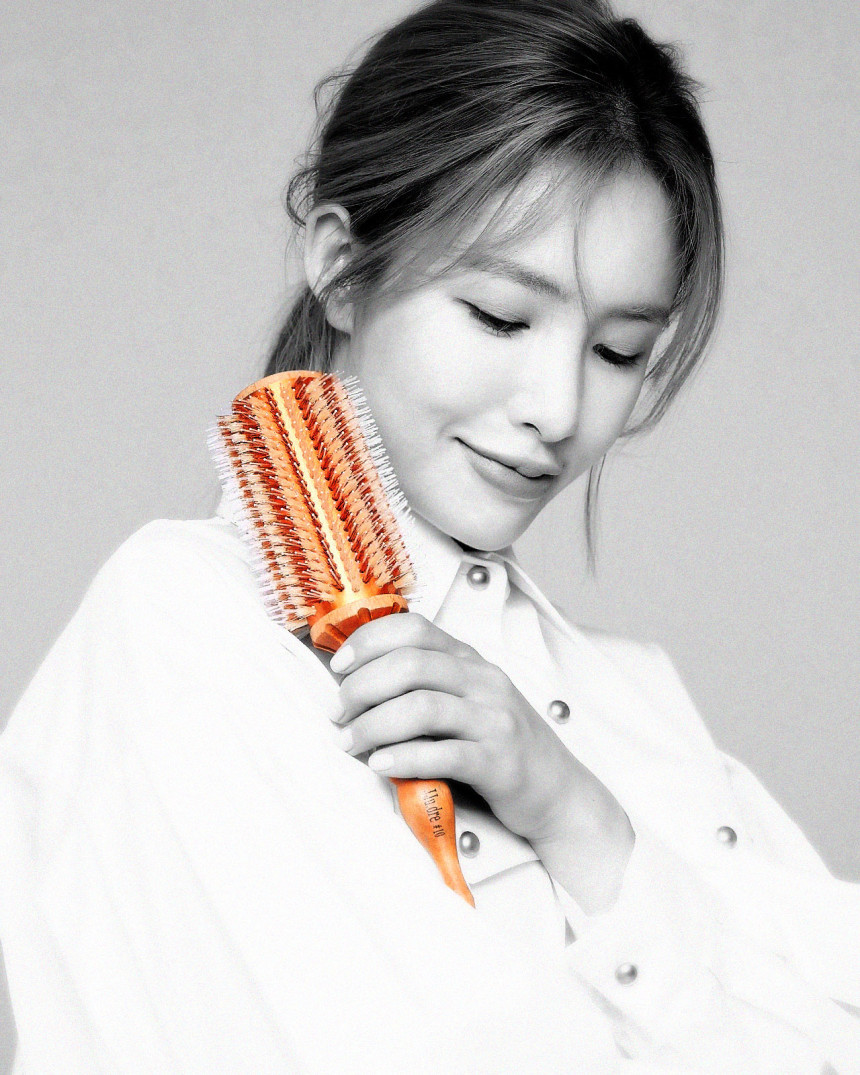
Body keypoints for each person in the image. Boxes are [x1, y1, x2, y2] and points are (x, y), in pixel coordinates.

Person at [0, 0, 857, 1071]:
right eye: (500, 316)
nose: (557, 407)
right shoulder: (186, 627)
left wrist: (582, 820)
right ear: (341, 266)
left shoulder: (634, 706)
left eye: (617, 351)